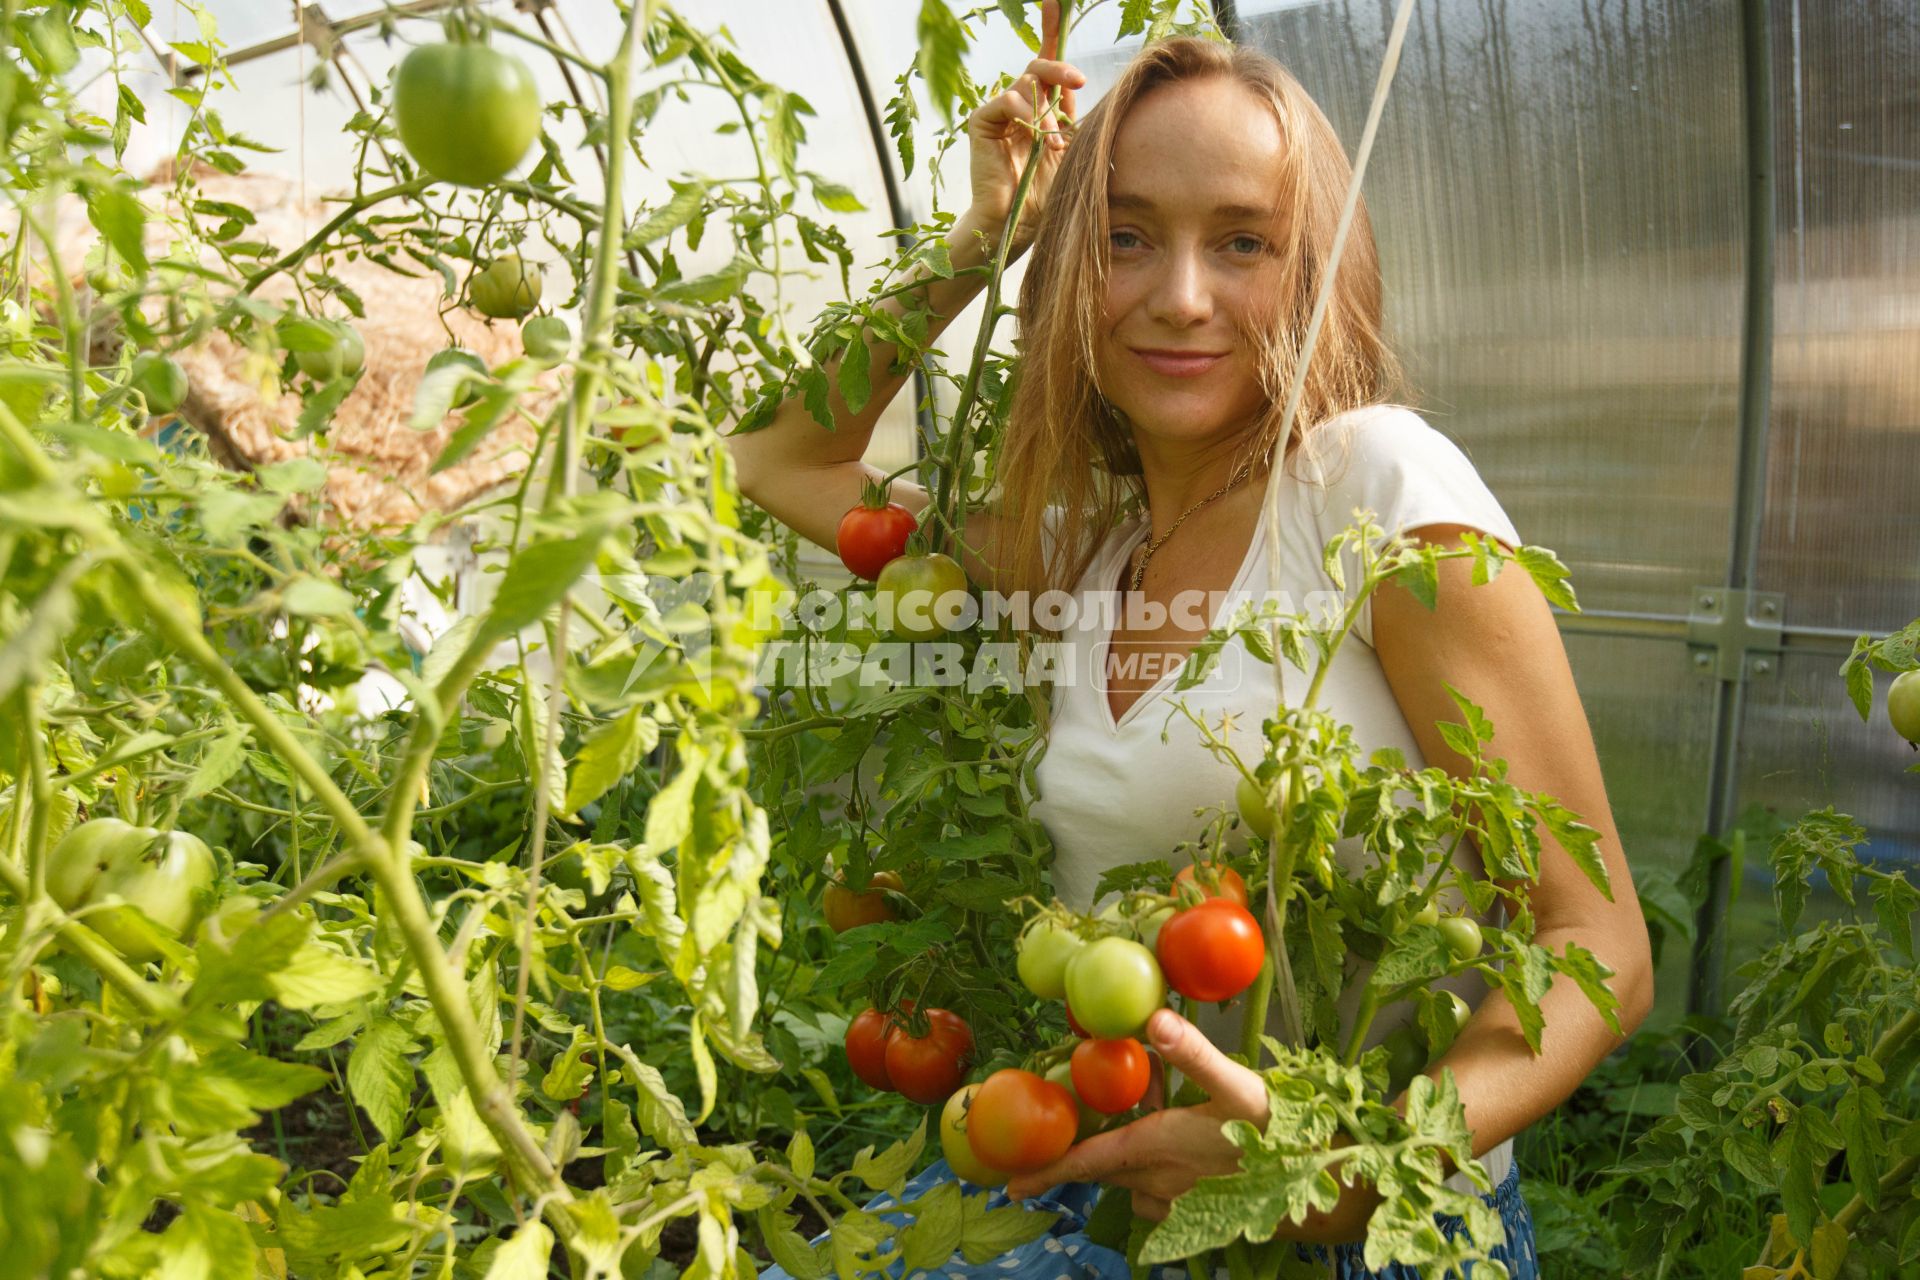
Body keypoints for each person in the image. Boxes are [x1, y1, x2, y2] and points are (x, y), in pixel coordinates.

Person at [730, 4, 1653, 1275]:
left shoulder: (1375, 491)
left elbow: (1594, 938)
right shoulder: (1082, 562)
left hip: (1363, 1227)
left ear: (1315, 264)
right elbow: (782, 458)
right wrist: (978, 244)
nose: (1179, 297)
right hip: (1103, 1200)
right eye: (1123, 238)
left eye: (1242, 242)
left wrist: (1355, 1161)